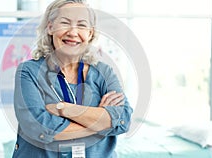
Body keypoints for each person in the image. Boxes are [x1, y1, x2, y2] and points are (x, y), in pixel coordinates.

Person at [13, 0, 133, 157]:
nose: (73, 32)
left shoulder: (104, 72)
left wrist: (63, 109)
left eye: (82, 25)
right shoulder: (29, 72)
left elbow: (123, 120)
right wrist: (101, 120)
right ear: (50, 27)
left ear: (90, 33)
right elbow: (40, 128)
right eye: (65, 23)